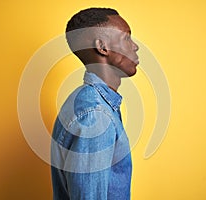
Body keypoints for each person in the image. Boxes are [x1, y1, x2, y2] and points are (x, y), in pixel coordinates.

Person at [51, 7, 139, 200]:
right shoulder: (96, 114)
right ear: (103, 47)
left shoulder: (88, 101)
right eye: (126, 38)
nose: (135, 46)